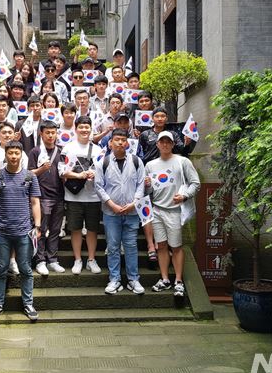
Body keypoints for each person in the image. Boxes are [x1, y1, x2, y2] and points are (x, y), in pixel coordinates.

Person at [0, 141, 42, 323]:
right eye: (10, 153)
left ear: (21, 155)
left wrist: (38, 226)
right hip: (1, 231)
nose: (14, 156)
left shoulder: (30, 177)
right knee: (1, 269)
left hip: (24, 231)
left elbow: (35, 202)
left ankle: (28, 304)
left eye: (17, 153)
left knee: (26, 269)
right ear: (6, 154)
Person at [145, 131, 200, 297]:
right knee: (161, 246)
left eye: (168, 141)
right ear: (157, 144)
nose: (165, 144)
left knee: (176, 246)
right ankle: (164, 279)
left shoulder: (182, 161)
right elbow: (148, 191)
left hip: (175, 211)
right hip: (157, 210)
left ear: (173, 144)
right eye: (162, 141)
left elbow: (195, 183)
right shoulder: (150, 165)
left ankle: (178, 281)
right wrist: (147, 185)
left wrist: (184, 196)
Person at [94, 128, 146, 295]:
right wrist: (112, 205)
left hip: (132, 212)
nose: (120, 143)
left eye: (123, 140)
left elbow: (141, 185)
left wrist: (135, 203)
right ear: (110, 143)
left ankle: (133, 279)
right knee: (113, 246)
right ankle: (114, 279)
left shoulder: (137, 161)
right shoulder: (103, 163)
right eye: (117, 140)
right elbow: (98, 187)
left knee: (131, 246)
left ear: (127, 143)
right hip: (111, 213)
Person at [59, 116, 103, 274]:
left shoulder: (98, 150)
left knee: (92, 229)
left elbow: (103, 171)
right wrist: (78, 175)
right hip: (73, 196)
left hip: (93, 196)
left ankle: (91, 259)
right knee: (75, 229)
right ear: (75, 129)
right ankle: (77, 259)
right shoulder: (68, 148)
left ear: (91, 129)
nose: (84, 130)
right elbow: (61, 170)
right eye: (81, 127)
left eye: (87, 127)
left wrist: (94, 174)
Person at [28, 121, 66, 275]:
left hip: (59, 196)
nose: (51, 135)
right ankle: (40, 260)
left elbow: (65, 170)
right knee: (41, 230)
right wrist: (42, 169)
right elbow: (29, 173)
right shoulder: (35, 151)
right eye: (47, 133)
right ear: (41, 134)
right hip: (42, 196)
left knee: (55, 230)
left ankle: (53, 259)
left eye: (53, 132)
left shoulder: (62, 151)